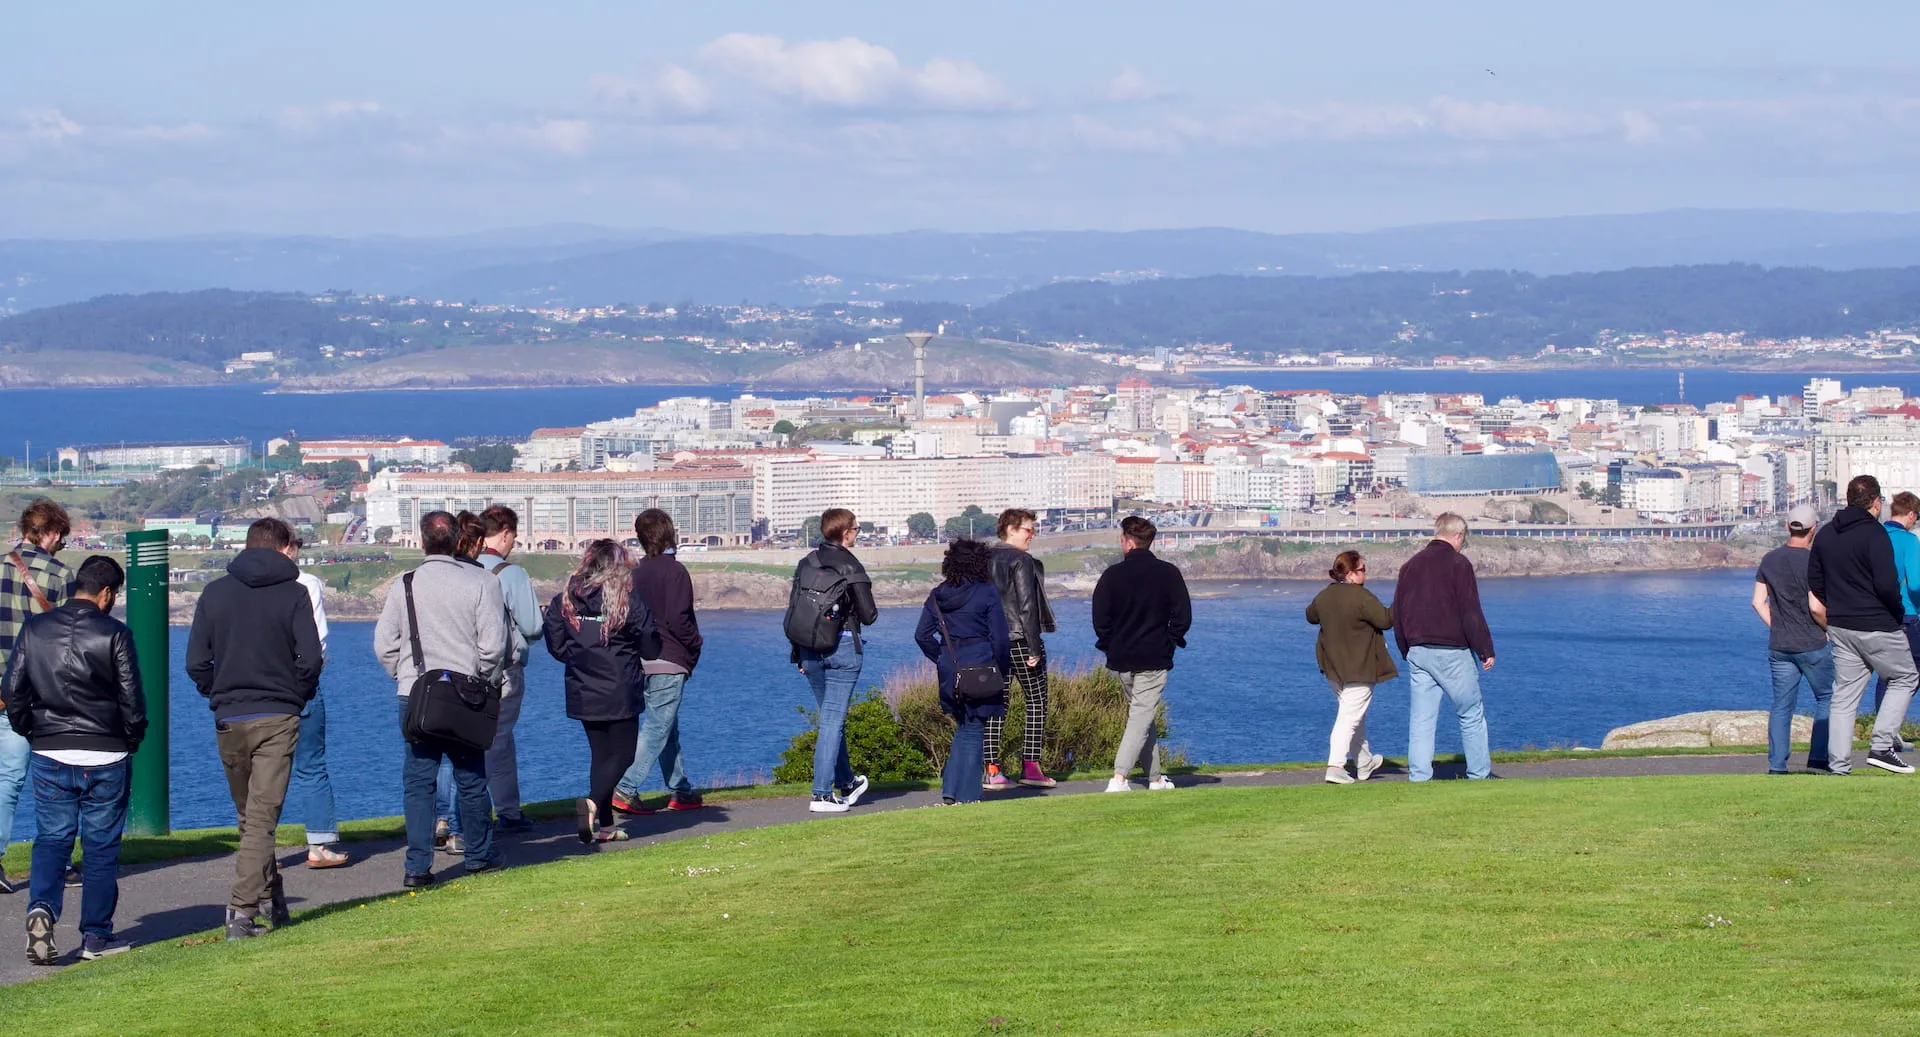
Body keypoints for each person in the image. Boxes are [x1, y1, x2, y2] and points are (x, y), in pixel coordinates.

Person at [185, 517, 324, 940]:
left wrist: (218, 691)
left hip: (230, 716)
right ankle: (242, 913)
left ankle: (271, 897)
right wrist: (295, 695)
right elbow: (311, 659)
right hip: (278, 715)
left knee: (251, 818)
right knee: (260, 820)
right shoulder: (295, 593)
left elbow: (195, 662)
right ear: (283, 546)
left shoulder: (214, 593)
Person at [5, 556, 144, 964]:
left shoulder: (35, 629)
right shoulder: (116, 634)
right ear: (105, 593)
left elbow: (12, 691)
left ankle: (42, 908)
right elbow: (131, 700)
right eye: (114, 594)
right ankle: (95, 939)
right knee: (101, 847)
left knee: (52, 838)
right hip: (106, 751)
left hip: (50, 748)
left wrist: (32, 730)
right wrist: (131, 738)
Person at [374, 510, 508, 886]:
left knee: (419, 781)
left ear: (421, 542)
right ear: (457, 540)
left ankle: (417, 866)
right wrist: (481, 677)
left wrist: (405, 676)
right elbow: (493, 647)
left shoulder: (406, 584)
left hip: (416, 692)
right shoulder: (482, 581)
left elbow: (385, 645)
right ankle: (478, 855)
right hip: (466, 691)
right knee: (470, 776)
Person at [542, 539, 661, 843]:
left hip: (584, 686)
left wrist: (582, 657)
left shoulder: (565, 600)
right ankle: (594, 803)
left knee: (601, 755)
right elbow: (650, 645)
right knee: (622, 754)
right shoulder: (627, 600)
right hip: (620, 686)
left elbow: (556, 645)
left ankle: (604, 825)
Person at [1808, 475, 1920, 775]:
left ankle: (1838, 765)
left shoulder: (1827, 535)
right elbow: (1887, 584)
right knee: (1906, 677)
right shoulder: (1875, 534)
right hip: (1878, 623)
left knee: (1844, 696)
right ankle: (1882, 746)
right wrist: (1896, 612)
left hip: (1841, 625)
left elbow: (1816, 584)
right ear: (1875, 502)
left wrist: (1832, 618)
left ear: (1847, 499)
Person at [0, 500, 75, 895]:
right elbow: (67, 642)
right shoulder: (61, 575)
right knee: (54, 780)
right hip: (40, 694)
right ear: (55, 533)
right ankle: (58, 859)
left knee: (6, 779)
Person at [611, 509, 705, 817]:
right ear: (668, 534)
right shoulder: (674, 571)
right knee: (657, 727)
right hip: (669, 657)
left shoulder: (635, 573)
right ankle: (625, 788)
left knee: (667, 727)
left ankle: (680, 789)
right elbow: (680, 619)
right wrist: (695, 643)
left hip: (641, 658)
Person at [787, 508, 879, 813]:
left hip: (809, 650)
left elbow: (795, 610)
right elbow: (869, 615)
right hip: (841, 649)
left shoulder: (806, 562)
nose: (857, 533)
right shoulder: (851, 565)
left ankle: (847, 782)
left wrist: (797, 654)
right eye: (856, 528)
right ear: (846, 532)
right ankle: (821, 794)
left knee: (830, 718)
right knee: (832, 721)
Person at [1393, 513, 1496, 782]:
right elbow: (1470, 611)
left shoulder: (1410, 566)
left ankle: (1419, 777)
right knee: (1471, 714)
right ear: (1458, 535)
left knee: (1422, 720)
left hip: (1418, 650)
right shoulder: (1459, 564)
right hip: (1452, 651)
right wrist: (1485, 649)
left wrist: (1405, 648)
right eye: (1464, 539)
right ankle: (1478, 774)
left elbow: (1399, 611)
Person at [1091, 516, 1191, 793]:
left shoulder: (1112, 575)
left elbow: (1100, 617)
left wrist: (1109, 644)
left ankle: (1155, 779)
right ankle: (1120, 778)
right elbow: (1183, 616)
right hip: (1154, 656)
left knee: (1141, 716)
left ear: (1128, 541)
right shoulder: (1168, 573)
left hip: (1122, 657)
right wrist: (1171, 641)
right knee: (1141, 716)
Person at [915, 538, 1013, 805]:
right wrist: (1000, 669)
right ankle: (968, 797)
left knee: (964, 726)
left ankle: (951, 792)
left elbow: (922, 635)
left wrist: (943, 659)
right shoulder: (987, 592)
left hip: (951, 670)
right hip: (982, 667)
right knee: (974, 730)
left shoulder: (937, 595)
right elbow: (1001, 639)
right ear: (981, 563)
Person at [1752, 504, 1834, 774]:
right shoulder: (1814, 561)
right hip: (1812, 642)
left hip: (1780, 644)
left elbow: (1757, 602)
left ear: (1787, 526)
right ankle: (1818, 759)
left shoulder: (1769, 559)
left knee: (1782, 705)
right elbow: (1815, 607)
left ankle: (1777, 765)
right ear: (1814, 529)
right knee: (1826, 698)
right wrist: (1828, 629)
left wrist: (1777, 625)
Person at [477, 505, 543, 833]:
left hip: (464, 669)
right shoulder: (510, 574)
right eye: (513, 536)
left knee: (498, 743)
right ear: (505, 533)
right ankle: (465, 817)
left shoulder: (464, 567)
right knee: (497, 741)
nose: (514, 542)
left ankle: (508, 809)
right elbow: (533, 627)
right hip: (503, 669)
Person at [434, 510, 495, 853]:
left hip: (431, 680)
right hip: (467, 678)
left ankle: (443, 819)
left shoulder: (427, 579)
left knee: (440, 759)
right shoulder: (480, 580)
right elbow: (491, 640)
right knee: (466, 763)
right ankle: (460, 831)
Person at [1305, 550, 1394, 785]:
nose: (1366, 573)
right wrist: (1401, 602)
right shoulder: (1361, 597)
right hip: (1361, 667)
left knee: (1354, 717)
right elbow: (1386, 619)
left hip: (1333, 668)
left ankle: (1364, 762)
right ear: (1352, 574)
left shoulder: (1324, 596)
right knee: (1348, 719)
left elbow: (1310, 616)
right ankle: (1335, 766)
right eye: (1363, 569)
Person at [984, 508, 1058, 791]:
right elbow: (1027, 606)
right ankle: (1031, 766)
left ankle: (992, 769)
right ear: (1012, 529)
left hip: (992, 641)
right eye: (1029, 530)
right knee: (1037, 702)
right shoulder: (1021, 560)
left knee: (996, 704)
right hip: (1020, 640)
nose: (1033, 535)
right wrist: (1034, 646)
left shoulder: (984, 559)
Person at [288, 536, 347, 868]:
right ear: (289, 549)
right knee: (311, 765)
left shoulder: (233, 587)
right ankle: (320, 843)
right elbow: (319, 641)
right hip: (302, 685)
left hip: (255, 688)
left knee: (263, 771)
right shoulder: (305, 583)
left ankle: (261, 850)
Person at [1872, 491, 1920, 749]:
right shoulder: (1909, 540)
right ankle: (1888, 731)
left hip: (1878, 615)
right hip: (1908, 613)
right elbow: (1916, 582)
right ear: (1911, 514)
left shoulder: (1877, 536)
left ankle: (1884, 731)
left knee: (1886, 675)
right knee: (1913, 673)